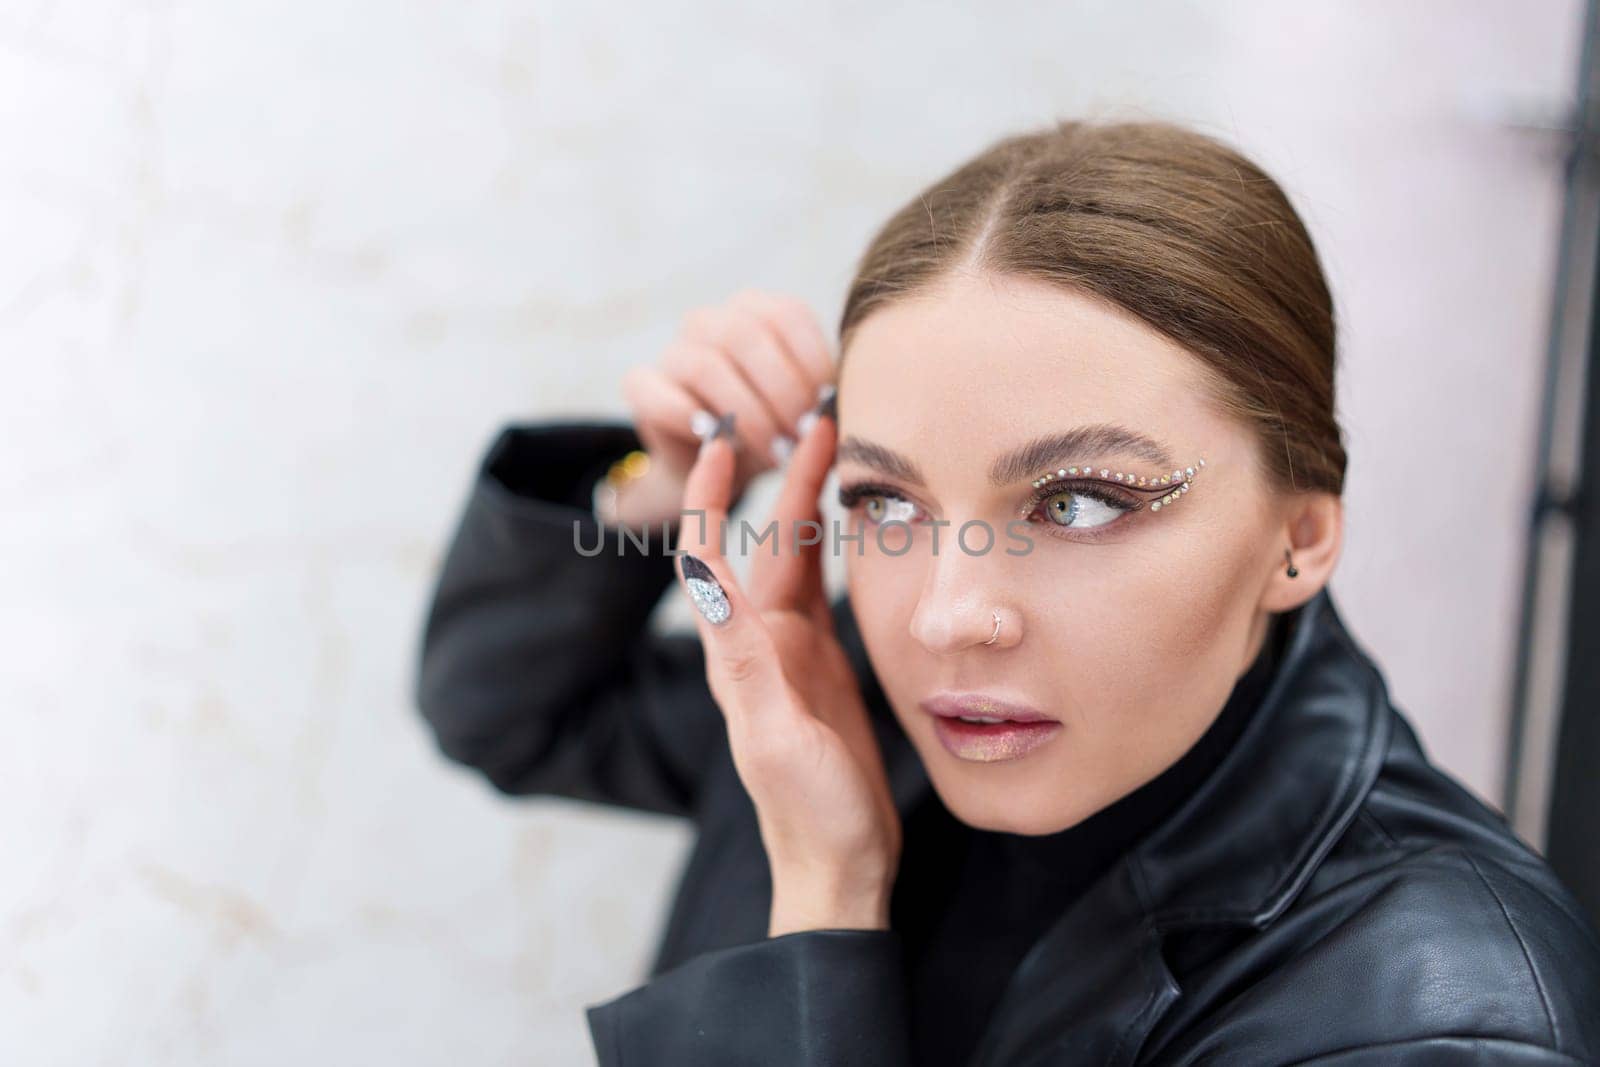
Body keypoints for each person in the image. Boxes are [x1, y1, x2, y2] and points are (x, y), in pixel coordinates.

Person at [412, 118, 1600, 1065]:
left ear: (1298, 533)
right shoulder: (854, 698)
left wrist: (826, 898)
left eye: (1076, 503)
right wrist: (656, 483)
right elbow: (511, 713)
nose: (946, 614)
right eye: (885, 502)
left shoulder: (1438, 1015)